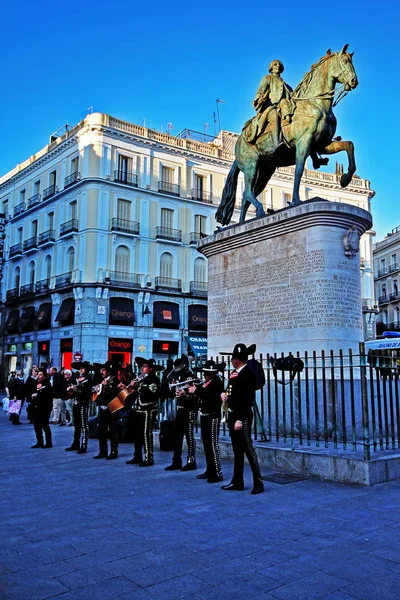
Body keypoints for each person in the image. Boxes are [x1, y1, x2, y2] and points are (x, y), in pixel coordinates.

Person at [220, 343, 264, 495]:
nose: (231, 360)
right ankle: (237, 480)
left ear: (237, 359)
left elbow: (247, 398)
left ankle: (258, 482)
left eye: (233, 357)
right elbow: (232, 391)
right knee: (237, 450)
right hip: (233, 414)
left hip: (242, 416)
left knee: (248, 448)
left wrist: (240, 418)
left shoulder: (247, 374)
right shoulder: (235, 373)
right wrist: (224, 394)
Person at [242, 59, 293, 148]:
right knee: (275, 116)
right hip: (270, 108)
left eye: (279, 64)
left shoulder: (287, 86)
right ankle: (276, 144)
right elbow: (260, 91)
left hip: (285, 108)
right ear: (271, 68)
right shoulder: (267, 78)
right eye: (275, 64)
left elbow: (293, 96)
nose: (277, 66)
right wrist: (259, 99)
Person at [190, 360, 225, 483]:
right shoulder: (206, 383)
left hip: (213, 416)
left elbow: (209, 396)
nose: (204, 376)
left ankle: (217, 472)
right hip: (204, 415)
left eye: (206, 374)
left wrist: (196, 390)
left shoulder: (217, 382)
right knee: (206, 444)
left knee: (213, 444)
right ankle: (210, 469)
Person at [126, 357, 161, 467]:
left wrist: (136, 388)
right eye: (142, 366)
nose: (143, 368)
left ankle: (149, 457)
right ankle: (137, 456)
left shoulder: (154, 379)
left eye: (145, 367)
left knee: (146, 433)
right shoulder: (140, 378)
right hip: (138, 409)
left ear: (150, 369)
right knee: (137, 433)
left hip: (148, 409)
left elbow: (153, 393)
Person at [165, 355, 198, 472]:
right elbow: (171, 393)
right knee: (177, 436)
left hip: (189, 410)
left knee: (189, 436)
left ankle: (191, 461)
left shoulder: (191, 377)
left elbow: (196, 395)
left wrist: (185, 394)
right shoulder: (177, 377)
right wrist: (173, 389)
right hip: (180, 409)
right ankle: (176, 461)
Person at [94, 362, 119, 460]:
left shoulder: (114, 380)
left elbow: (113, 391)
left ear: (108, 371)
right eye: (101, 370)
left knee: (113, 430)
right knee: (101, 430)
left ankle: (114, 451)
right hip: (102, 407)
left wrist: (106, 386)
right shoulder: (101, 380)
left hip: (112, 407)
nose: (102, 372)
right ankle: (102, 451)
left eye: (104, 370)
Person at [65, 362, 93, 454]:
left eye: (83, 368)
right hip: (76, 403)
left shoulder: (88, 380)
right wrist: (71, 390)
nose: (81, 370)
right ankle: (75, 443)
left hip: (83, 404)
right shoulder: (77, 379)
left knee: (84, 425)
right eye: (80, 368)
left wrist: (76, 390)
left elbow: (86, 392)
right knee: (76, 425)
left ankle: (84, 445)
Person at [31, 369, 53, 448]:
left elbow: (46, 396)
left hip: (45, 408)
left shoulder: (47, 385)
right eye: (38, 375)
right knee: (36, 425)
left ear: (44, 376)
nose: (38, 376)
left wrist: (36, 395)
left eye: (40, 375)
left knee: (45, 425)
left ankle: (49, 442)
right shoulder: (37, 384)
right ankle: (39, 441)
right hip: (37, 407)